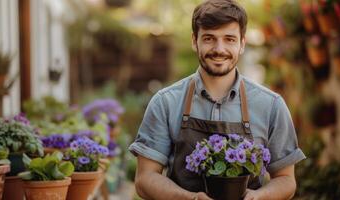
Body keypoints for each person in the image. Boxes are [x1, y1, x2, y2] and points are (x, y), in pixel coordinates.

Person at [128, 0, 306, 199]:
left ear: (242, 44)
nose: (219, 49)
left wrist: (258, 197)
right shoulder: (165, 103)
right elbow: (145, 179)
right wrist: (191, 199)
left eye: (229, 39)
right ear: (195, 41)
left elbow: (286, 180)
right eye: (209, 38)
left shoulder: (271, 105)